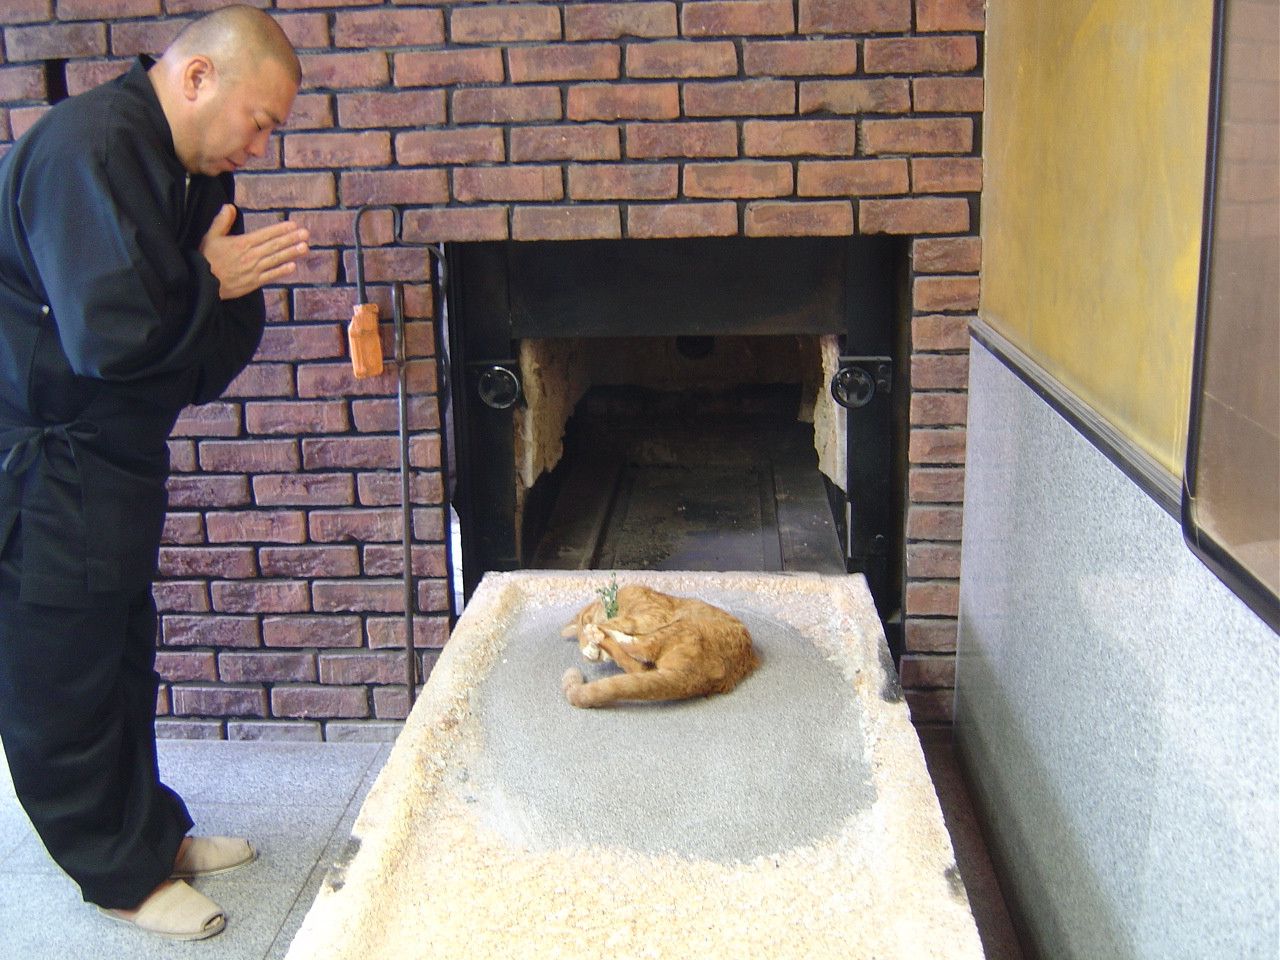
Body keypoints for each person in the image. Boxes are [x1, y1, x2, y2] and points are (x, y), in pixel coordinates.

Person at [0, 5, 309, 941]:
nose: (260, 145)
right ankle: (117, 875)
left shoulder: (186, 173)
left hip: (116, 459)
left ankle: (152, 836)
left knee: (125, 658)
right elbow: (111, 337)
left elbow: (208, 350)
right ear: (197, 78)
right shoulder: (86, 149)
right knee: (64, 677)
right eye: (259, 119)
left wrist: (213, 289)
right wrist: (204, 283)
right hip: (46, 467)